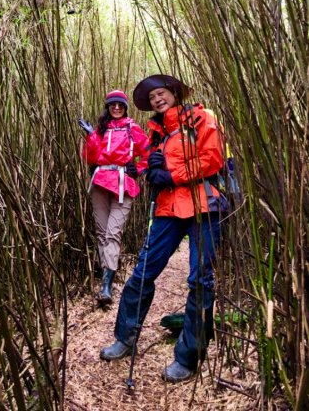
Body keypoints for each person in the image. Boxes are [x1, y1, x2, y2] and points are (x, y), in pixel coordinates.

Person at [100, 75, 228, 383]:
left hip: (205, 206)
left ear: (174, 93)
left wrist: (172, 174)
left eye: (161, 93)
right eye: (152, 97)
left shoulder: (202, 117)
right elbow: (147, 165)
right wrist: (142, 169)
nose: (157, 99)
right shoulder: (155, 133)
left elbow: (212, 160)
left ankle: (188, 356)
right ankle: (125, 336)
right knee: (143, 272)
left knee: (201, 280)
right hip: (169, 209)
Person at [78, 90, 149, 306]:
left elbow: (149, 151)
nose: (116, 108)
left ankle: (107, 285)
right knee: (102, 233)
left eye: (120, 104)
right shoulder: (100, 130)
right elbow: (90, 157)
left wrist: (137, 169)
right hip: (100, 181)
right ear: (107, 107)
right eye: (112, 105)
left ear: (125, 107)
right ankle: (106, 280)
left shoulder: (132, 127)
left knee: (113, 233)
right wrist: (91, 136)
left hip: (122, 183)